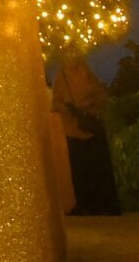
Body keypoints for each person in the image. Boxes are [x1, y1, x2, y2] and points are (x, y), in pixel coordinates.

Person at [52, 54, 123, 216]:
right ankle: (85, 204)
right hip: (73, 129)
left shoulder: (88, 74)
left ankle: (104, 204)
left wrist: (89, 106)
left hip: (92, 128)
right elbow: (55, 103)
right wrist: (67, 108)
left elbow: (100, 96)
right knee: (81, 169)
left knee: (97, 168)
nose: (72, 59)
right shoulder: (61, 78)